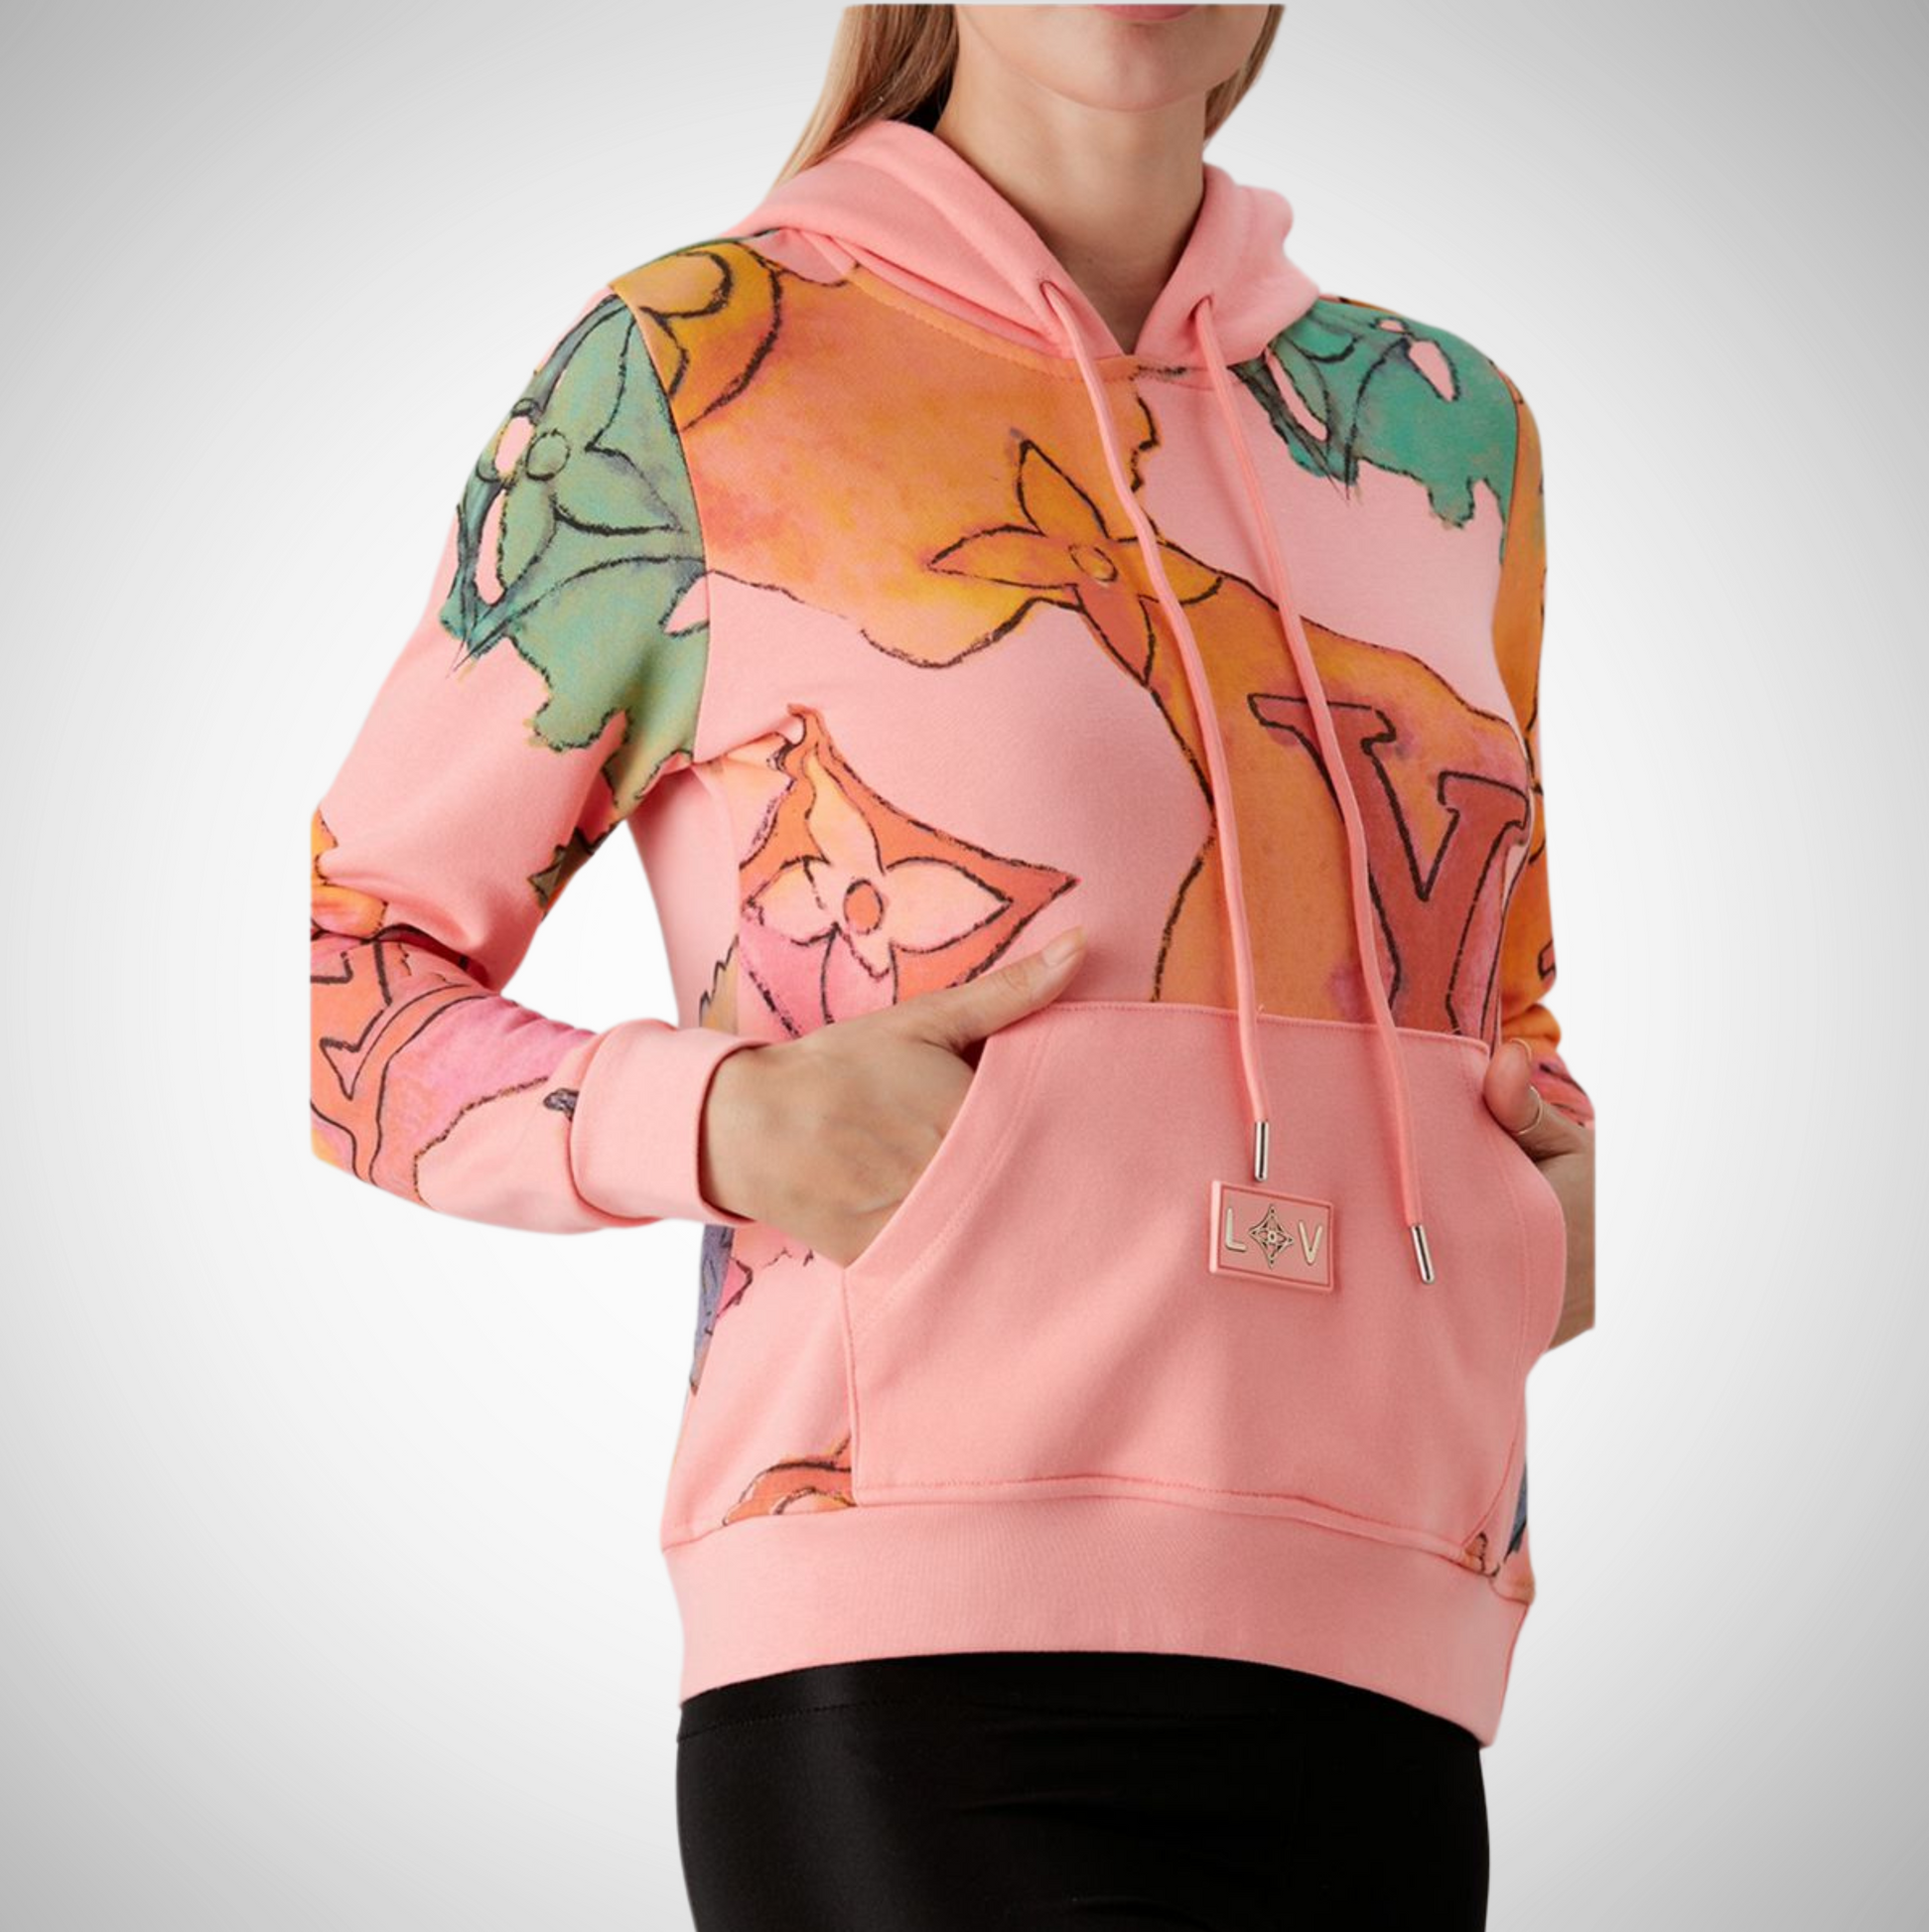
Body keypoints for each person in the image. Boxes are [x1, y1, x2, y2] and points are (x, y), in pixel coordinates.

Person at [308, 3, 1597, 1923]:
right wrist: (723, 1121)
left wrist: (1533, 1221)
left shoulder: (1443, 429)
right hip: (907, 1656)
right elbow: (345, 972)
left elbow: (1483, 972)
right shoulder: (694, 366)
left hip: (1384, 1655)